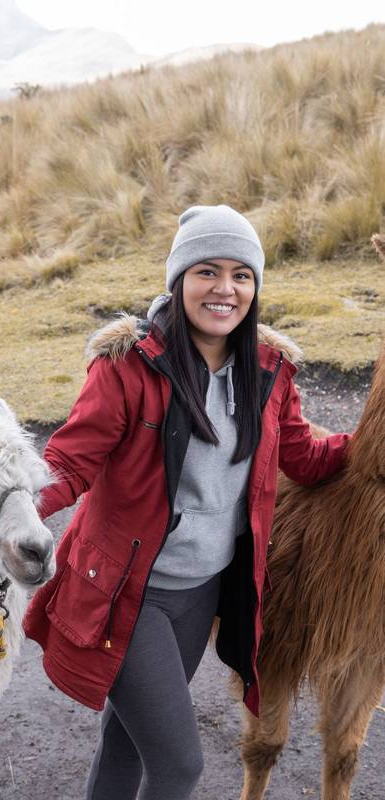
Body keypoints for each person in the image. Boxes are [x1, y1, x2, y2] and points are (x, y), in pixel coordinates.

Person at [22, 204, 352, 800]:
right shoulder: (128, 367)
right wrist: (12, 515)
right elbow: (70, 463)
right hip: (127, 591)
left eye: (241, 275)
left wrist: (373, 440)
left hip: (200, 593)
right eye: (207, 271)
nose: (225, 289)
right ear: (179, 280)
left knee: (126, 742)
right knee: (179, 767)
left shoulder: (269, 372)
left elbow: (305, 458)